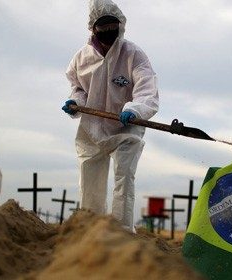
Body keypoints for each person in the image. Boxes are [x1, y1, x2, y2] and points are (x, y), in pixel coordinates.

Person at [61, 0, 159, 232]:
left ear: (120, 25)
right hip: (92, 128)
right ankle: (91, 229)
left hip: (126, 127)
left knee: (124, 177)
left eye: (111, 26)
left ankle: (121, 232)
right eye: (102, 27)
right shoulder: (81, 59)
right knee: (89, 178)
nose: (107, 32)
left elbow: (147, 90)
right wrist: (76, 103)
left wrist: (134, 109)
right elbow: (79, 88)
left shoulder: (133, 55)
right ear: (93, 28)